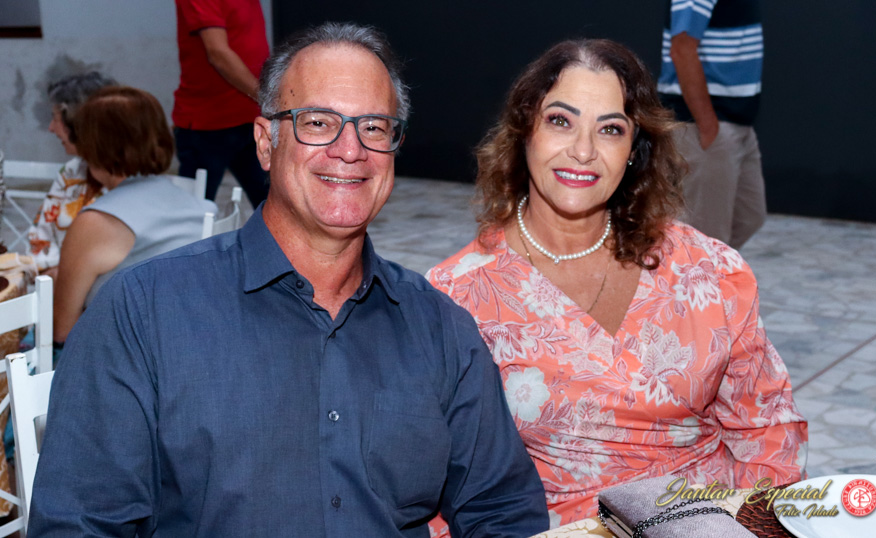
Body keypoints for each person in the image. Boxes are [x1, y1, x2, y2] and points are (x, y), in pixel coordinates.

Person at [29, 23, 549, 537]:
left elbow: (502, 512)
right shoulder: (143, 312)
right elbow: (80, 525)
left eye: (373, 127)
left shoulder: (439, 329)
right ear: (265, 142)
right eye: (318, 122)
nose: (350, 150)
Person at [428, 38, 807, 527]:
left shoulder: (707, 269)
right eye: (560, 121)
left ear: (633, 150)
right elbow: (441, 481)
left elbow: (767, 430)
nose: (583, 151)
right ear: (524, 132)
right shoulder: (457, 297)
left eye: (610, 129)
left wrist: (759, 527)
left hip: (710, 520)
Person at [52, 86, 216, 344]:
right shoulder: (202, 208)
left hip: (126, 358)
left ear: (94, 146)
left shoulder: (97, 221)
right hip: (196, 347)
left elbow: (63, 331)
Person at [657, 0, 766, 249]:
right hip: (705, 124)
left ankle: (693, 267)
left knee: (748, 218)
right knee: (705, 241)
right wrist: (708, 126)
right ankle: (686, 270)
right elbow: (682, 49)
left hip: (735, 122)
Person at [172, 0, 270, 207]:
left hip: (251, 118)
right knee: (192, 214)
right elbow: (218, 54)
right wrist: (267, 97)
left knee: (273, 204)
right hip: (208, 125)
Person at [28, 71, 117, 279]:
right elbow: (39, 242)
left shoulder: (126, 178)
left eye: (55, 118)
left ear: (80, 122)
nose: (51, 128)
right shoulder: (71, 173)